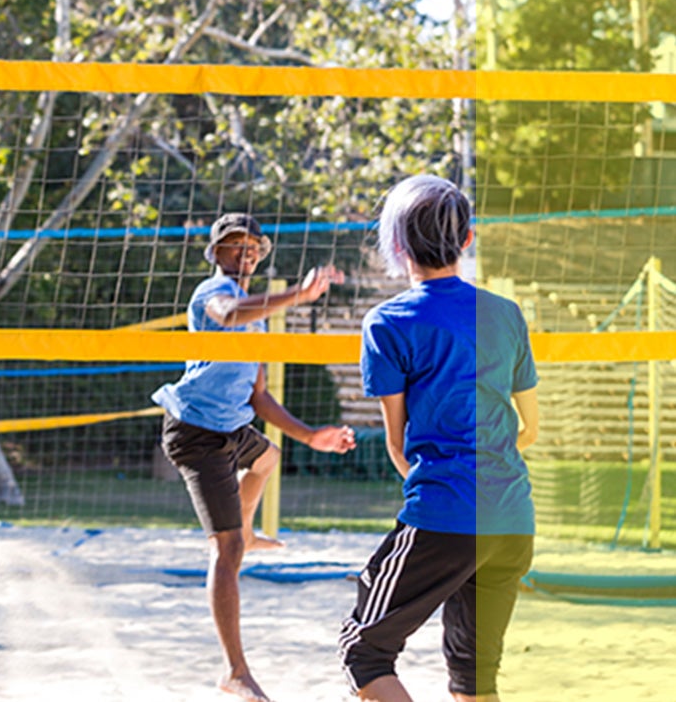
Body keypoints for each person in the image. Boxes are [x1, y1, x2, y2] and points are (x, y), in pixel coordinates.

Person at [339, 175, 538, 701]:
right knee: (475, 676)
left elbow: (399, 449)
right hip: (514, 519)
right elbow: (529, 429)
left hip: (447, 513)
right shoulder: (506, 314)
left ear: (397, 246)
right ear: (467, 238)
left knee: (363, 651)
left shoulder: (387, 322)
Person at [153, 211, 356, 702]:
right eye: (233, 244)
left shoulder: (258, 314)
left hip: (229, 425)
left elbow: (259, 397)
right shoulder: (212, 293)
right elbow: (227, 314)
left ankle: (244, 530)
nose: (243, 251)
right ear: (216, 252)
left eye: (251, 245)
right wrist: (300, 296)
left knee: (267, 459)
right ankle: (234, 671)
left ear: (261, 254)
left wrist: (313, 437)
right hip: (194, 431)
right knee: (226, 553)